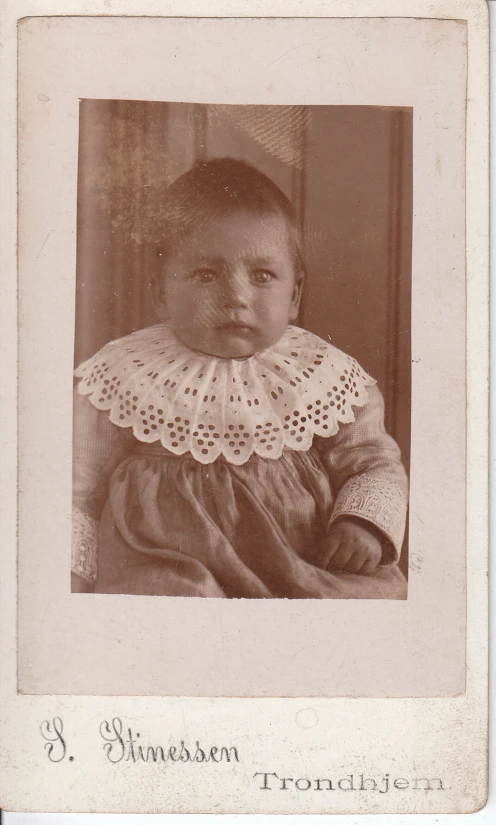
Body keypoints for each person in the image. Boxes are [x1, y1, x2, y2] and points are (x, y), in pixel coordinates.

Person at [71, 157, 408, 599]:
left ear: (295, 294)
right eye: (206, 275)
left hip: (299, 559)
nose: (236, 297)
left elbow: (373, 462)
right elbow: (76, 480)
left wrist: (361, 525)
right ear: (159, 291)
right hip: (167, 564)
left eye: (263, 275)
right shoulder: (124, 373)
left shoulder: (322, 375)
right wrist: (70, 574)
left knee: (356, 603)